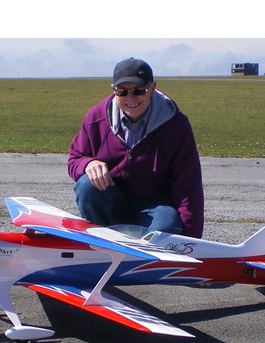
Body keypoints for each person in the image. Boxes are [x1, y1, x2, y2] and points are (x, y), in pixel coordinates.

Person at [67, 57, 204, 238]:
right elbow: (74, 159)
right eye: (122, 92)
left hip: (154, 205)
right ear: (114, 90)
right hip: (112, 200)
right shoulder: (96, 118)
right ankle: (103, 243)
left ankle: (149, 257)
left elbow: (188, 184)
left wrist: (192, 241)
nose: (130, 98)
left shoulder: (176, 124)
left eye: (138, 91)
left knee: (166, 225)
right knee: (87, 186)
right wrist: (87, 164)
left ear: (152, 88)